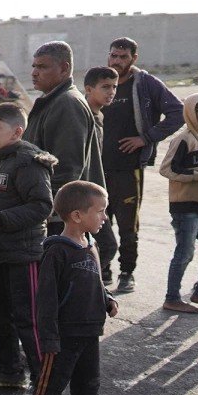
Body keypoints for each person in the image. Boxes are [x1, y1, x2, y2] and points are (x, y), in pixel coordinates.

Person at [25, 181, 119, 395]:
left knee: (89, 383)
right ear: (77, 215)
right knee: (50, 386)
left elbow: (96, 281)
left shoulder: (91, 245)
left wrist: (108, 299)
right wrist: (49, 337)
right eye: (100, 211)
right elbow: (46, 299)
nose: (104, 217)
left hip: (90, 330)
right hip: (63, 334)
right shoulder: (57, 251)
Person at [0, 102, 56, 390]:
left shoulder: (28, 162)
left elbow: (42, 205)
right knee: (0, 313)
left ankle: (43, 383)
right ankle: (8, 370)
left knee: (29, 320)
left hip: (24, 254)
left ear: (17, 132)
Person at [97, 38, 184, 294]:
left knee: (128, 224)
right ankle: (102, 269)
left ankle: (127, 272)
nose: (117, 61)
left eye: (123, 57)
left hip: (129, 167)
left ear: (134, 58)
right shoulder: (102, 81)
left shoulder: (145, 83)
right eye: (113, 55)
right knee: (98, 220)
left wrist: (146, 138)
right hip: (98, 167)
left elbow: (177, 112)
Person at [158, 93, 198, 314]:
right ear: (189, 112)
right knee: (185, 253)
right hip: (185, 207)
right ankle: (172, 298)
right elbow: (166, 169)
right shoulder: (183, 139)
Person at [22, 41, 94, 231]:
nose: (34, 73)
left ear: (64, 68)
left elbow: (67, 169)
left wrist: (45, 209)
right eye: (34, 66)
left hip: (57, 217)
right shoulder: (51, 100)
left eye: (42, 67)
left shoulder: (67, 104)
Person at [81, 65, 118, 281]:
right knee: (107, 245)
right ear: (89, 89)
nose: (111, 92)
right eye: (105, 87)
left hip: (94, 190)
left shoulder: (99, 116)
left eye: (114, 87)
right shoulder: (83, 116)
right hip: (84, 193)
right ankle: (83, 284)